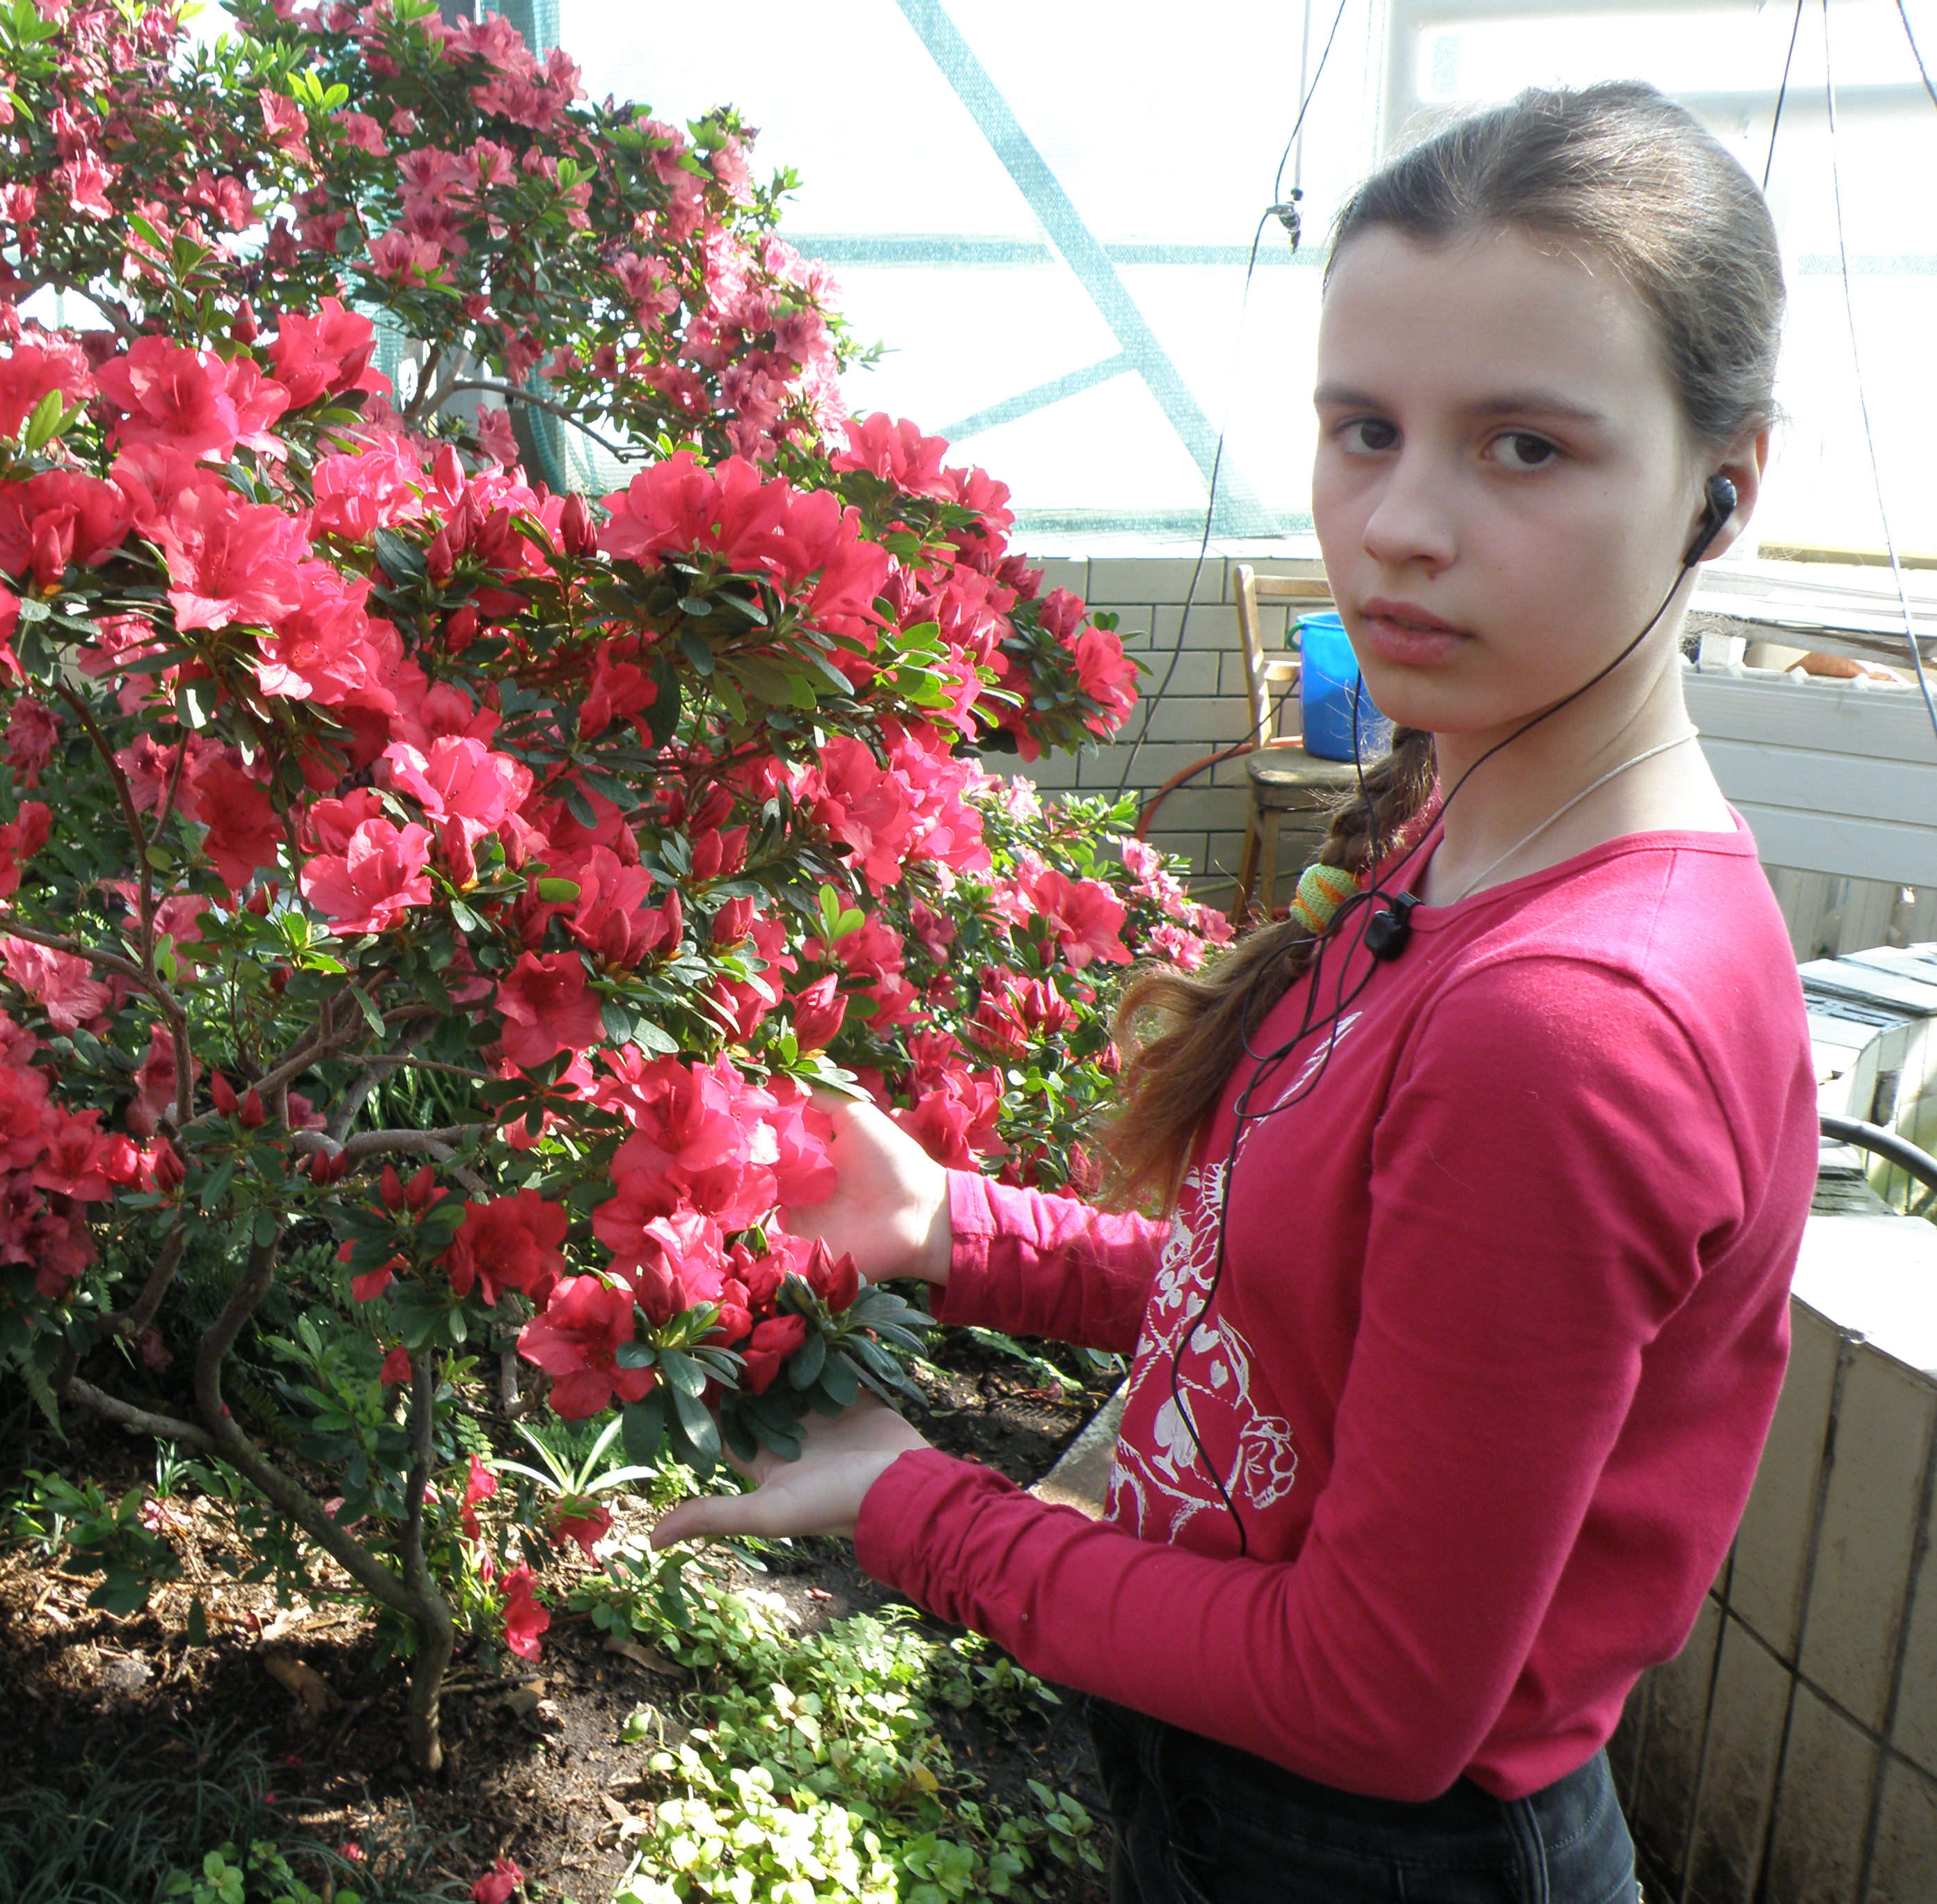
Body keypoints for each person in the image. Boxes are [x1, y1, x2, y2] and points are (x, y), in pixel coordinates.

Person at [651, 81, 1819, 1903]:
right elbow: (1313, 1326)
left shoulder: (1568, 1024)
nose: (1402, 523)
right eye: (1365, 430)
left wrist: (911, 1503)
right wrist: (955, 1227)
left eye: (1525, 446)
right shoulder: (1473, 849)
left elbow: (1375, 1698)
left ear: (1721, 487)